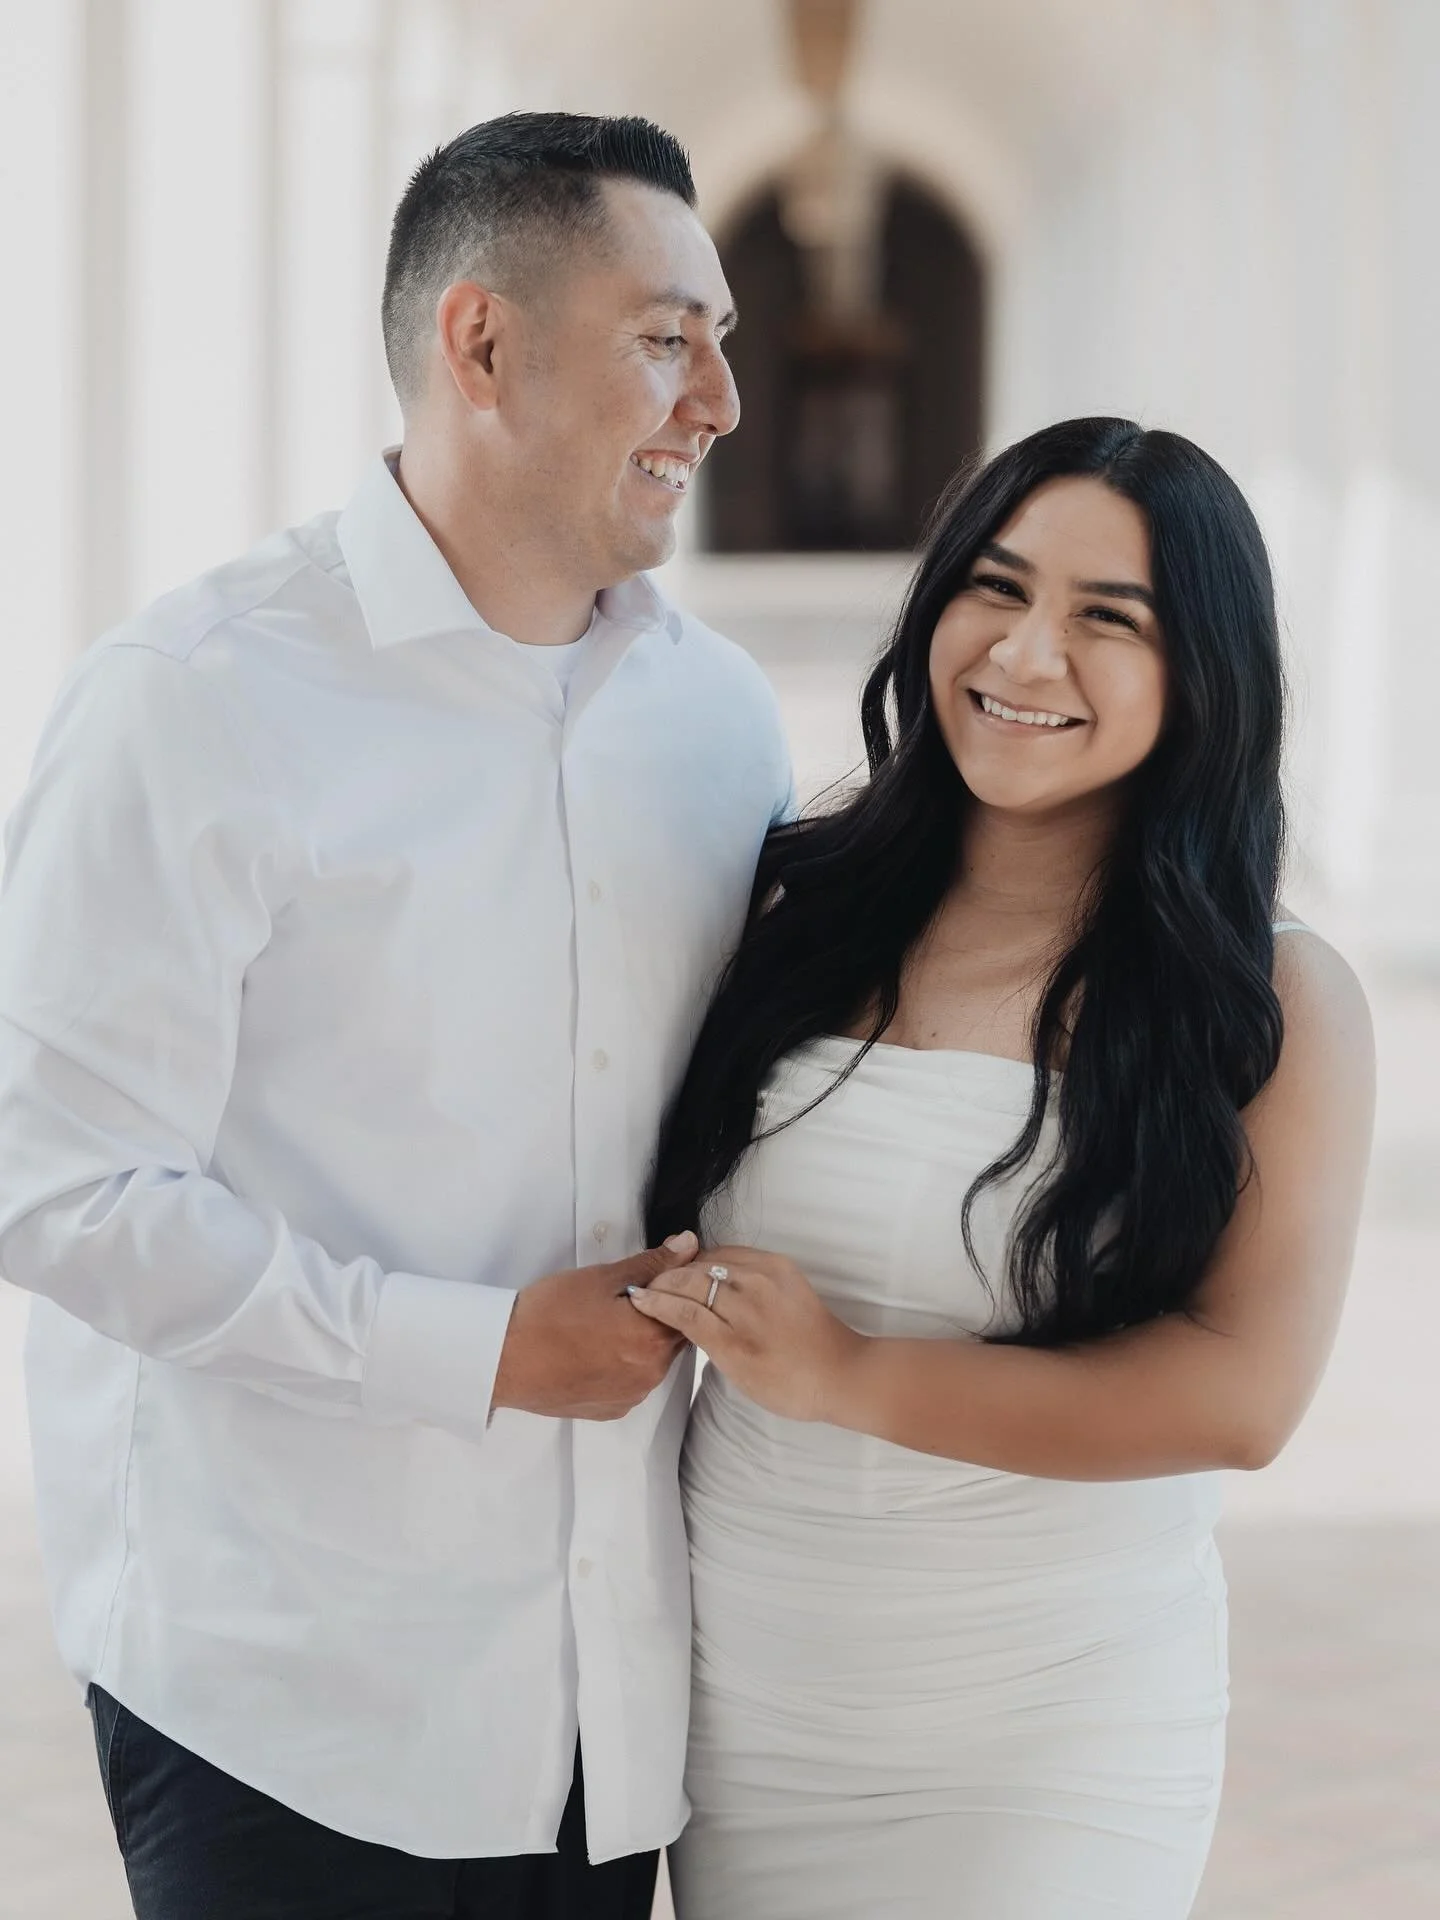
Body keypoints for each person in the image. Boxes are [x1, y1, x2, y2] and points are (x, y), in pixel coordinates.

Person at [0, 112, 791, 1919]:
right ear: (482, 343)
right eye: (669, 335)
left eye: (723, 340)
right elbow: (52, 1184)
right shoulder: (192, 702)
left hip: (612, 1705)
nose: (721, 402)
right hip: (289, 1687)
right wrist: (481, 1351)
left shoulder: (720, 721)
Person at [631, 417, 1375, 1919]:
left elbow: (1240, 1399)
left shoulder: (1269, 996)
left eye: (1111, 620)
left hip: (1047, 1724)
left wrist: (845, 1373)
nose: (1029, 657)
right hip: (752, 1698)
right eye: (998, 587)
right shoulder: (799, 898)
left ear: (1204, 676)